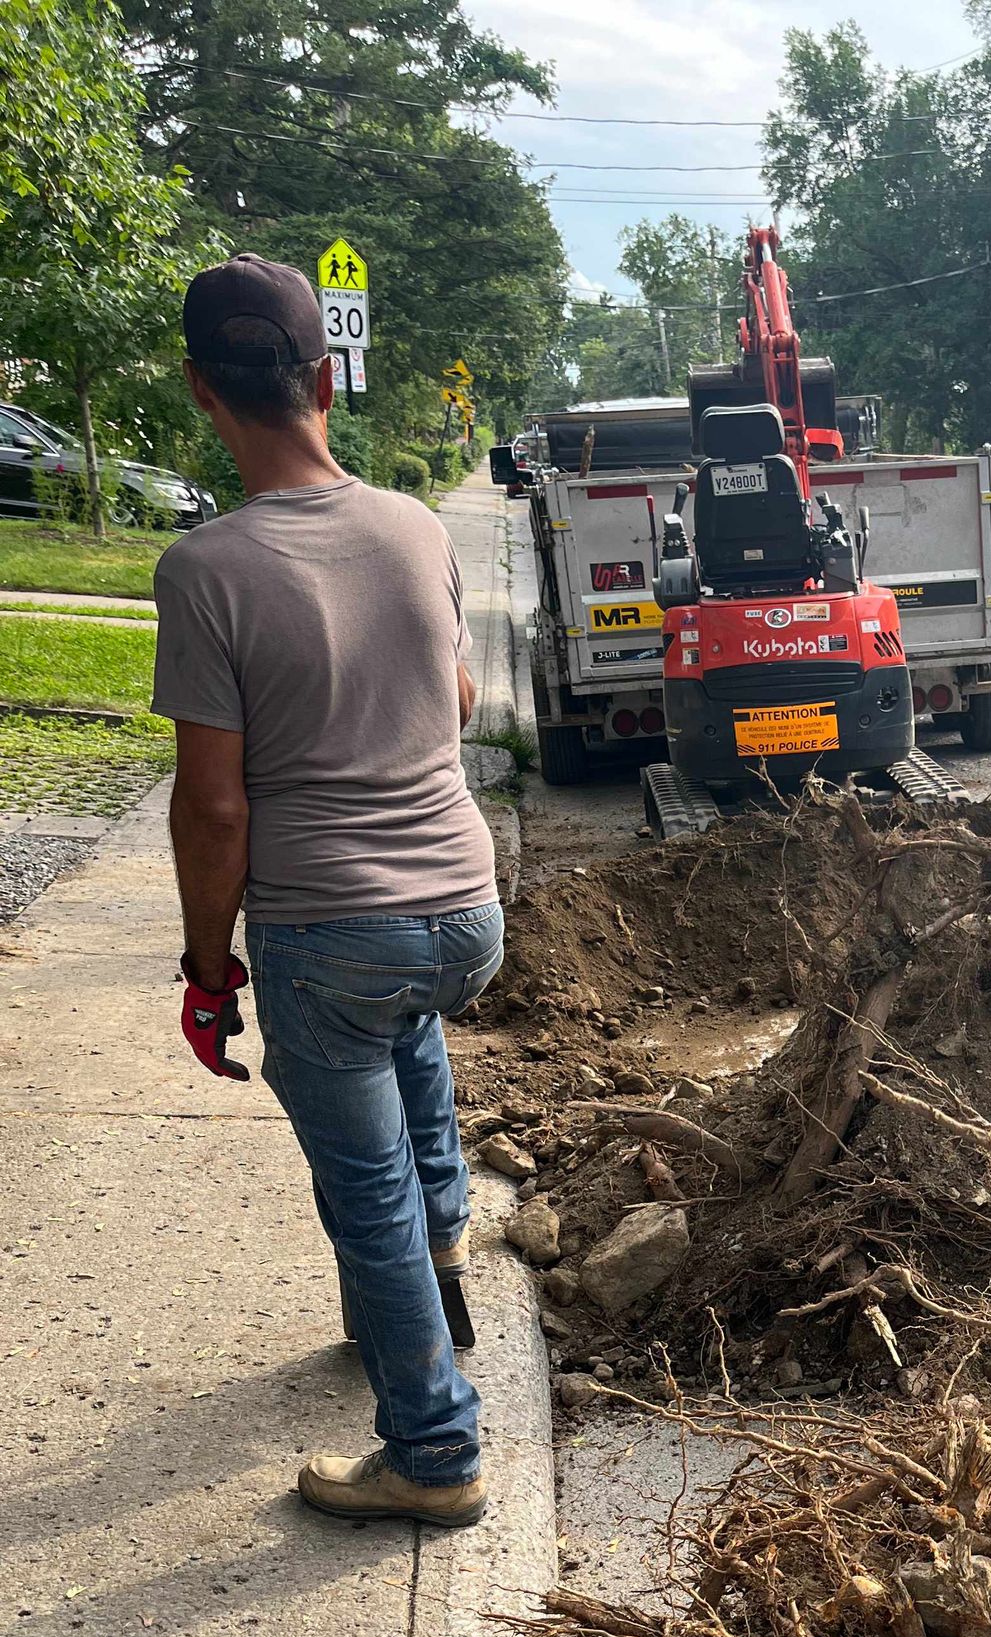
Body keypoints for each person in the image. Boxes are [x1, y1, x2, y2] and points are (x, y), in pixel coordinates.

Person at [156, 254, 502, 1527]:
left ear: (204, 390)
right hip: (466, 911)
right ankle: (447, 1239)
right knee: (405, 1024)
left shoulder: (205, 572)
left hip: (329, 931)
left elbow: (214, 807)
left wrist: (206, 970)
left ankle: (435, 1450)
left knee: (364, 1192)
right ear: (321, 381)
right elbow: (459, 701)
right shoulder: (417, 526)